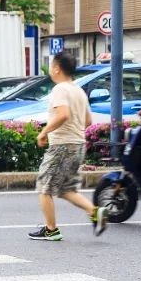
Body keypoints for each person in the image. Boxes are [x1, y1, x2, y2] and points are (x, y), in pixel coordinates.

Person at [29, 52, 108, 241]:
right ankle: (95, 211)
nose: (50, 69)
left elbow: (63, 114)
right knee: (66, 190)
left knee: (44, 187)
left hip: (62, 145)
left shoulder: (60, 89)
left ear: (57, 69)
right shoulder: (78, 90)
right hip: (78, 145)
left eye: (51, 65)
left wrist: (44, 132)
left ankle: (51, 230)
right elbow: (88, 121)